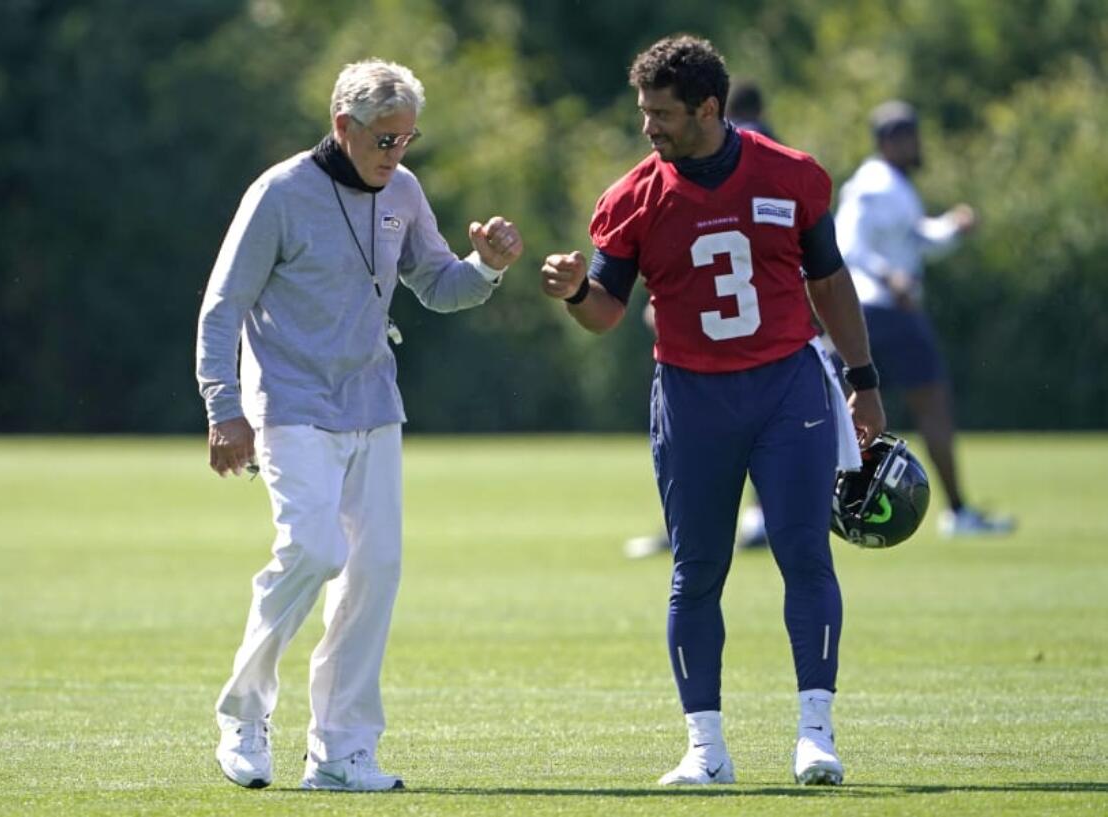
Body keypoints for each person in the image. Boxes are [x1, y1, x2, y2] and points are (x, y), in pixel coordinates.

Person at [541, 35, 885, 786]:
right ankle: (706, 748)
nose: (648, 127)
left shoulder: (790, 175)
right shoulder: (634, 195)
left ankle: (815, 734)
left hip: (787, 387)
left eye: (661, 113)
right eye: (642, 112)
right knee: (696, 572)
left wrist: (863, 380)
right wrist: (572, 291)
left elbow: (830, 284)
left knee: (804, 553)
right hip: (692, 396)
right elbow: (605, 313)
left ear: (708, 107)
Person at [195, 58, 522, 793]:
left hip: (374, 403)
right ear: (343, 126)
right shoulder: (278, 194)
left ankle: (341, 750)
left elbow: (437, 285)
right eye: (382, 139)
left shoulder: (403, 189)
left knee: (373, 574)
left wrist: (487, 264)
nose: (395, 154)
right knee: (311, 549)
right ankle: (244, 713)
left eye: (406, 139)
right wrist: (224, 409)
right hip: (288, 399)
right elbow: (222, 307)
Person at [835, 101, 1014, 536]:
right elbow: (847, 242)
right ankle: (957, 511)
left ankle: (806, 508)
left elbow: (917, 240)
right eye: (909, 136)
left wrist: (952, 226)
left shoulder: (895, 184)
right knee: (930, 404)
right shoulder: (873, 183)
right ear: (888, 141)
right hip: (880, 309)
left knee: (836, 414)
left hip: (877, 310)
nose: (917, 145)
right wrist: (887, 274)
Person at [622, 76, 779, 560]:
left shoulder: (719, 155)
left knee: (709, 440)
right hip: (758, 322)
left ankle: (698, 529)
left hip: (721, 328)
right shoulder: (767, 153)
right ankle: (756, 518)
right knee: (762, 431)